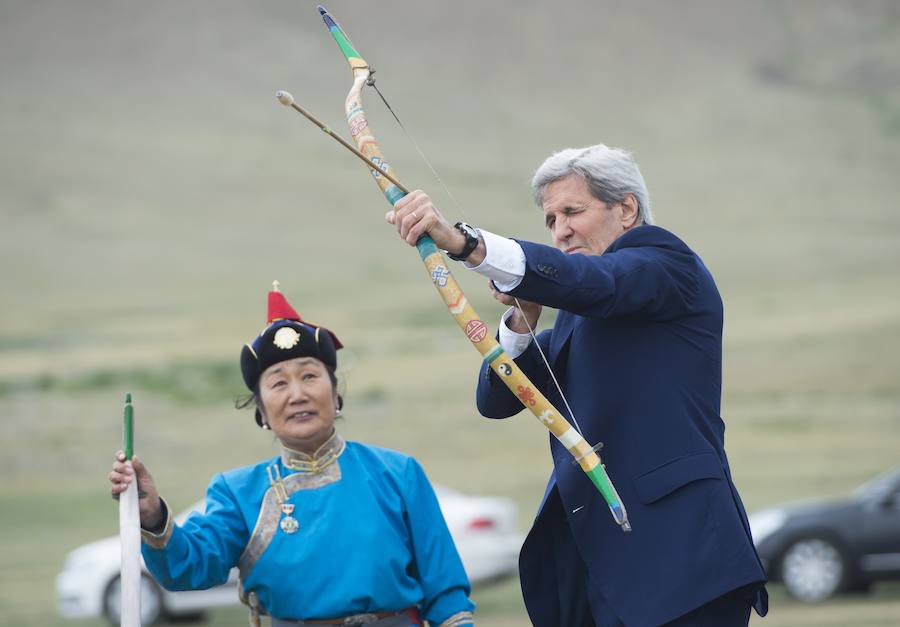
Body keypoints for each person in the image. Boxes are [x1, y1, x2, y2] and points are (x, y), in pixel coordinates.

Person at [387, 145, 768, 626]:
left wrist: (463, 243)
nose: (560, 229)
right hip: (600, 568)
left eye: (572, 211)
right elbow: (496, 399)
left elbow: (596, 281)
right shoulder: (575, 311)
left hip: (682, 559)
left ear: (626, 209)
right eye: (549, 220)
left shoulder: (664, 262)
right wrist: (521, 319)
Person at [108, 283, 475, 627]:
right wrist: (153, 515)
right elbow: (189, 567)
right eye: (279, 383)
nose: (297, 394)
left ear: (336, 394)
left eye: (310, 376)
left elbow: (447, 594)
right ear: (262, 413)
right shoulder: (237, 493)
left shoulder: (398, 474)